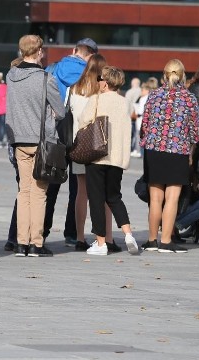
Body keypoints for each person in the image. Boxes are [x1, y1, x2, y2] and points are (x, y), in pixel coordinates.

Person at [6, 35, 64, 257]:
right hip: (41, 140)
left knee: (24, 191)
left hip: (18, 139)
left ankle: (21, 242)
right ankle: (36, 242)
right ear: (38, 51)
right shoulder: (45, 78)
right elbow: (60, 111)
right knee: (39, 193)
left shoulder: (11, 76)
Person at [139, 59, 199, 253]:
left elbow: (144, 125)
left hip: (154, 150)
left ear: (164, 75)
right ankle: (166, 240)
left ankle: (151, 240)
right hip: (177, 150)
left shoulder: (154, 95)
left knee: (155, 198)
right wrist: (190, 152)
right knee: (172, 198)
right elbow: (194, 132)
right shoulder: (189, 98)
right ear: (183, 75)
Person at [79, 66, 138, 256]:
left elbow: (83, 122)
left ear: (105, 82)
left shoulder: (95, 99)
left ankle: (101, 242)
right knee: (114, 197)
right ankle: (128, 234)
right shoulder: (125, 103)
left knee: (96, 199)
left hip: (98, 156)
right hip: (117, 158)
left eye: (100, 79)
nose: (98, 82)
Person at [45, 37, 97, 245]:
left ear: (74, 50)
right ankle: (73, 232)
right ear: (91, 55)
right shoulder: (90, 75)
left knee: (50, 186)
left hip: (55, 133)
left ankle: (42, 230)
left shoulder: (52, 68)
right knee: (78, 188)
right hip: (80, 136)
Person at [67, 53, 115, 252]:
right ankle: (107, 238)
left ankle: (79, 236)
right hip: (100, 146)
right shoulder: (103, 91)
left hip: (79, 144)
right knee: (104, 193)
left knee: (81, 192)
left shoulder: (74, 89)